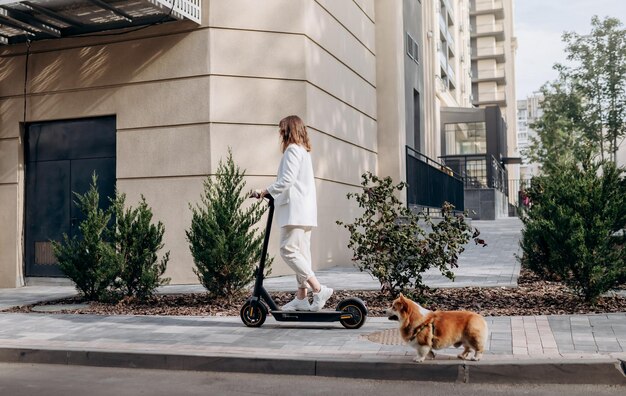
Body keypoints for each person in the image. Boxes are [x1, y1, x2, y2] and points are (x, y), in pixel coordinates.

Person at [257, 115, 333, 312]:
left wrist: (265, 191)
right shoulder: (304, 151)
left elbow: (287, 180)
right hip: (305, 212)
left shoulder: (292, 150)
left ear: (289, 130)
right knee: (301, 254)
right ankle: (301, 297)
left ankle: (318, 288)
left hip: (295, 211)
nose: (280, 133)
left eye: (282, 129)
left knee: (288, 250)